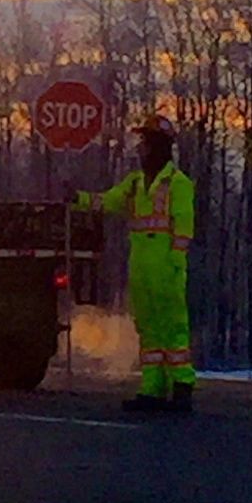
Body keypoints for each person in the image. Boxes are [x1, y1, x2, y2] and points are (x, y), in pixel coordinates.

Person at [73, 114, 196, 413]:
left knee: (173, 327)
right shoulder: (135, 183)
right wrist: (78, 198)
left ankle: (182, 385)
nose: (141, 149)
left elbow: (183, 226)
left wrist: (175, 263)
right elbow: (109, 201)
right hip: (141, 265)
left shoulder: (177, 183)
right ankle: (152, 389)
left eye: (146, 143)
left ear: (160, 147)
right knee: (148, 328)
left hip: (166, 267)